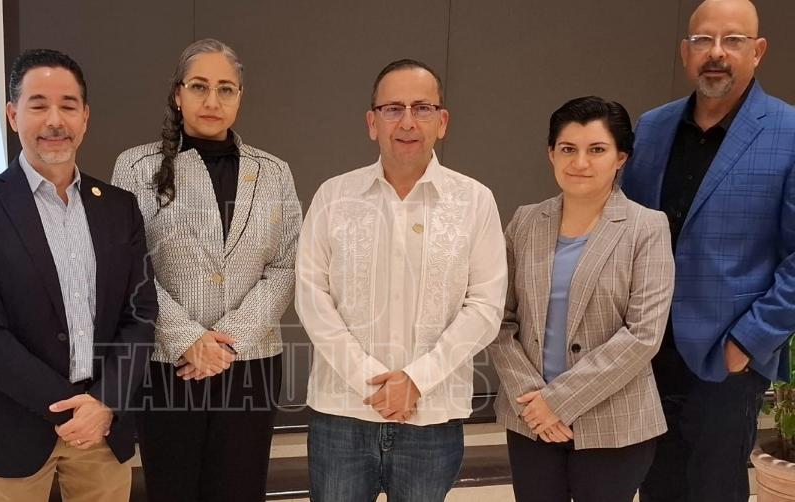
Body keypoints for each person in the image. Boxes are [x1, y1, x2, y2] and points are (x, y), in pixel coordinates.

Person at [0, 48, 158, 502]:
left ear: (85, 117)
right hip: (13, 427)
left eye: (68, 106)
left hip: (103, 428)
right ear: (12, 114)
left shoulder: (119, 208)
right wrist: (68, 408)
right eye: (38, 105)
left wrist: (104, 402)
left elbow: (140, 316)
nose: (55, 120)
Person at [295, 58, 507, 501]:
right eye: (393, 109)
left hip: (432, 418)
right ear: (372, 123)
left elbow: (485, 307)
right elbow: (312, 298)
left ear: (442, 122)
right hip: (342, 415)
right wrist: (371, 380)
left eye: (422, 108)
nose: (407, 122)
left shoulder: (475, 201)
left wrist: (416, 380)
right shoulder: (334, 196)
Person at [111, 38, 301, 502]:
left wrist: (228, 342)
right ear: (178, 94)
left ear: (240, 97)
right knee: (173, 488)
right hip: (169, 364)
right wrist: (188, 340)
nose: (212, 101)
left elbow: (286, 264)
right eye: (199, 86)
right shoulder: (135, 167)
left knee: (241, 488)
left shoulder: (274, 172)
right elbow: (128, 268)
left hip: (251, 363)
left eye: (225, 89)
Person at [622, 1, 795, 500]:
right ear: (685, 52)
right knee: (657, 487)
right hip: (647, 355)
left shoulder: (788, 133)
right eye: (703, 40)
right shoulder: (652, 128)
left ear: (758, 51)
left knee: (715, 491)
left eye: (733, 40)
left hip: (726, 360)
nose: (716, 53)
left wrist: (747, 343)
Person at [488, 96, 674, 502]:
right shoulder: (524, 221)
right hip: (530, 419)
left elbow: (643, 335)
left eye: (597, 150)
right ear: (551, 153)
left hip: (614, 424)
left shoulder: (646, 227)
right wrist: (534, 401)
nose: (580, 162)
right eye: (568, 149)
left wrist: (559, 401)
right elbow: (497, 320)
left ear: (621, 158)